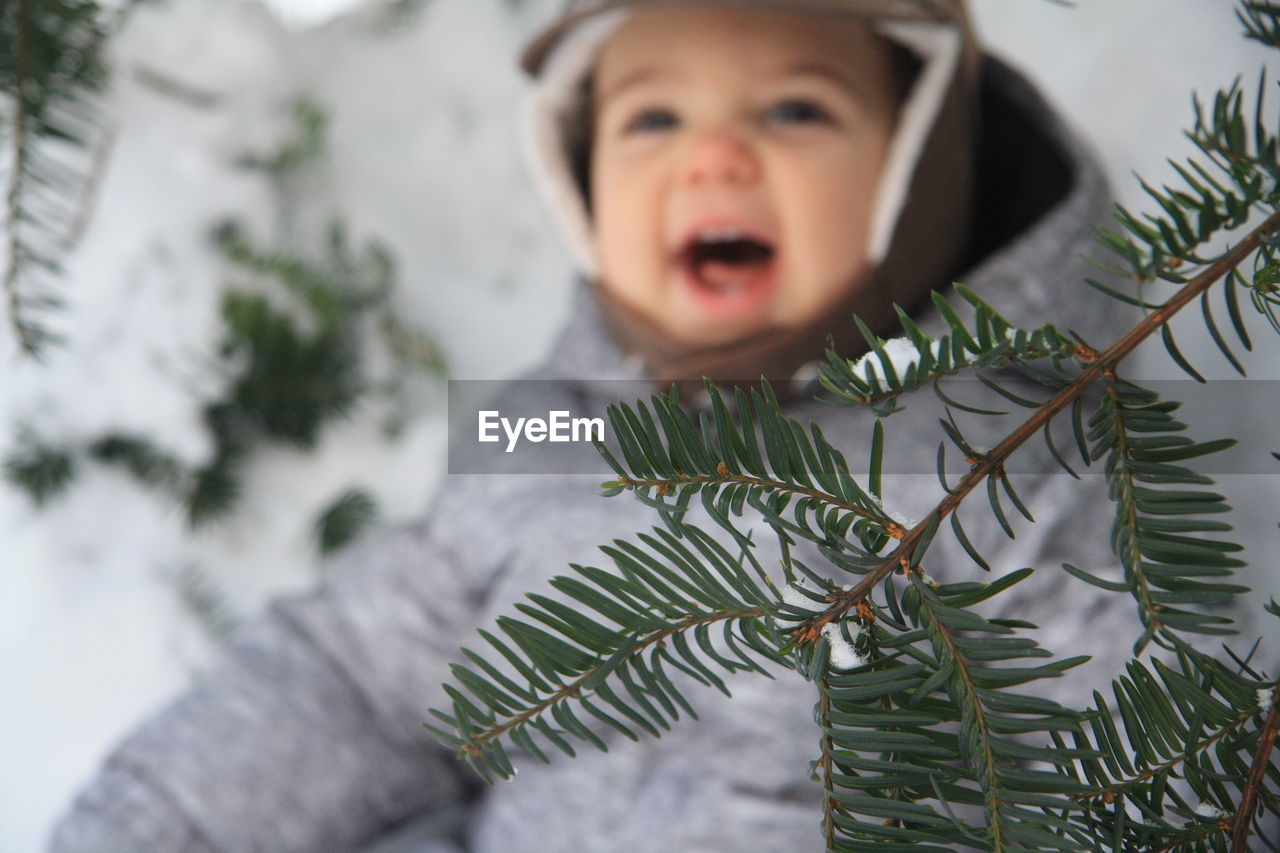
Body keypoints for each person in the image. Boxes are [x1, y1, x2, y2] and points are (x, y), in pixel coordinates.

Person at [50, 1, 1152, 850]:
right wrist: (157, 823)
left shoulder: (1025, 464)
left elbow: (1144, 757)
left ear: (923, 175)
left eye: (794, 109)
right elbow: (354, 674)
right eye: (651, 118)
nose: (710, 157)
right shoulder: (542, 434)